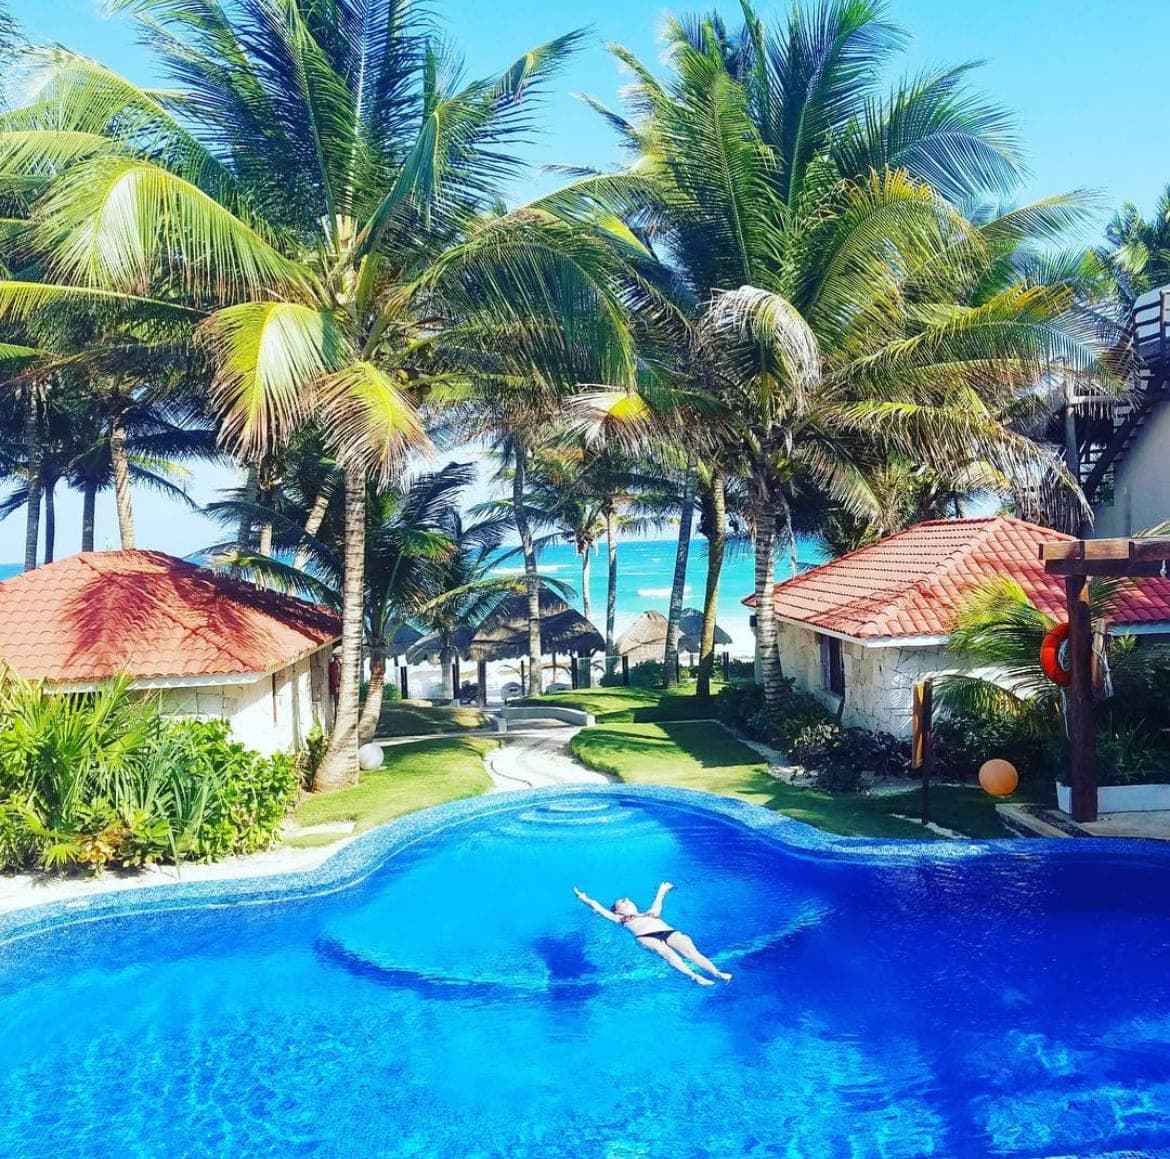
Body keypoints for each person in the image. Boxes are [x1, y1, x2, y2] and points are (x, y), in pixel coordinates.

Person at [573, 882, 732, 986]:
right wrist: (583, 898)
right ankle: (694, 976)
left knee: (692, 952)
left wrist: (662, 890)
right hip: (646, 937)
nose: (627, 899)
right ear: (618, 910)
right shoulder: (619, 919)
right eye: (622, 901)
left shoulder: (649, 913)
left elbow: (658, 902)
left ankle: (716, 973)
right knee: (669, 955)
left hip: (669, 932)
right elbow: (597, 907)